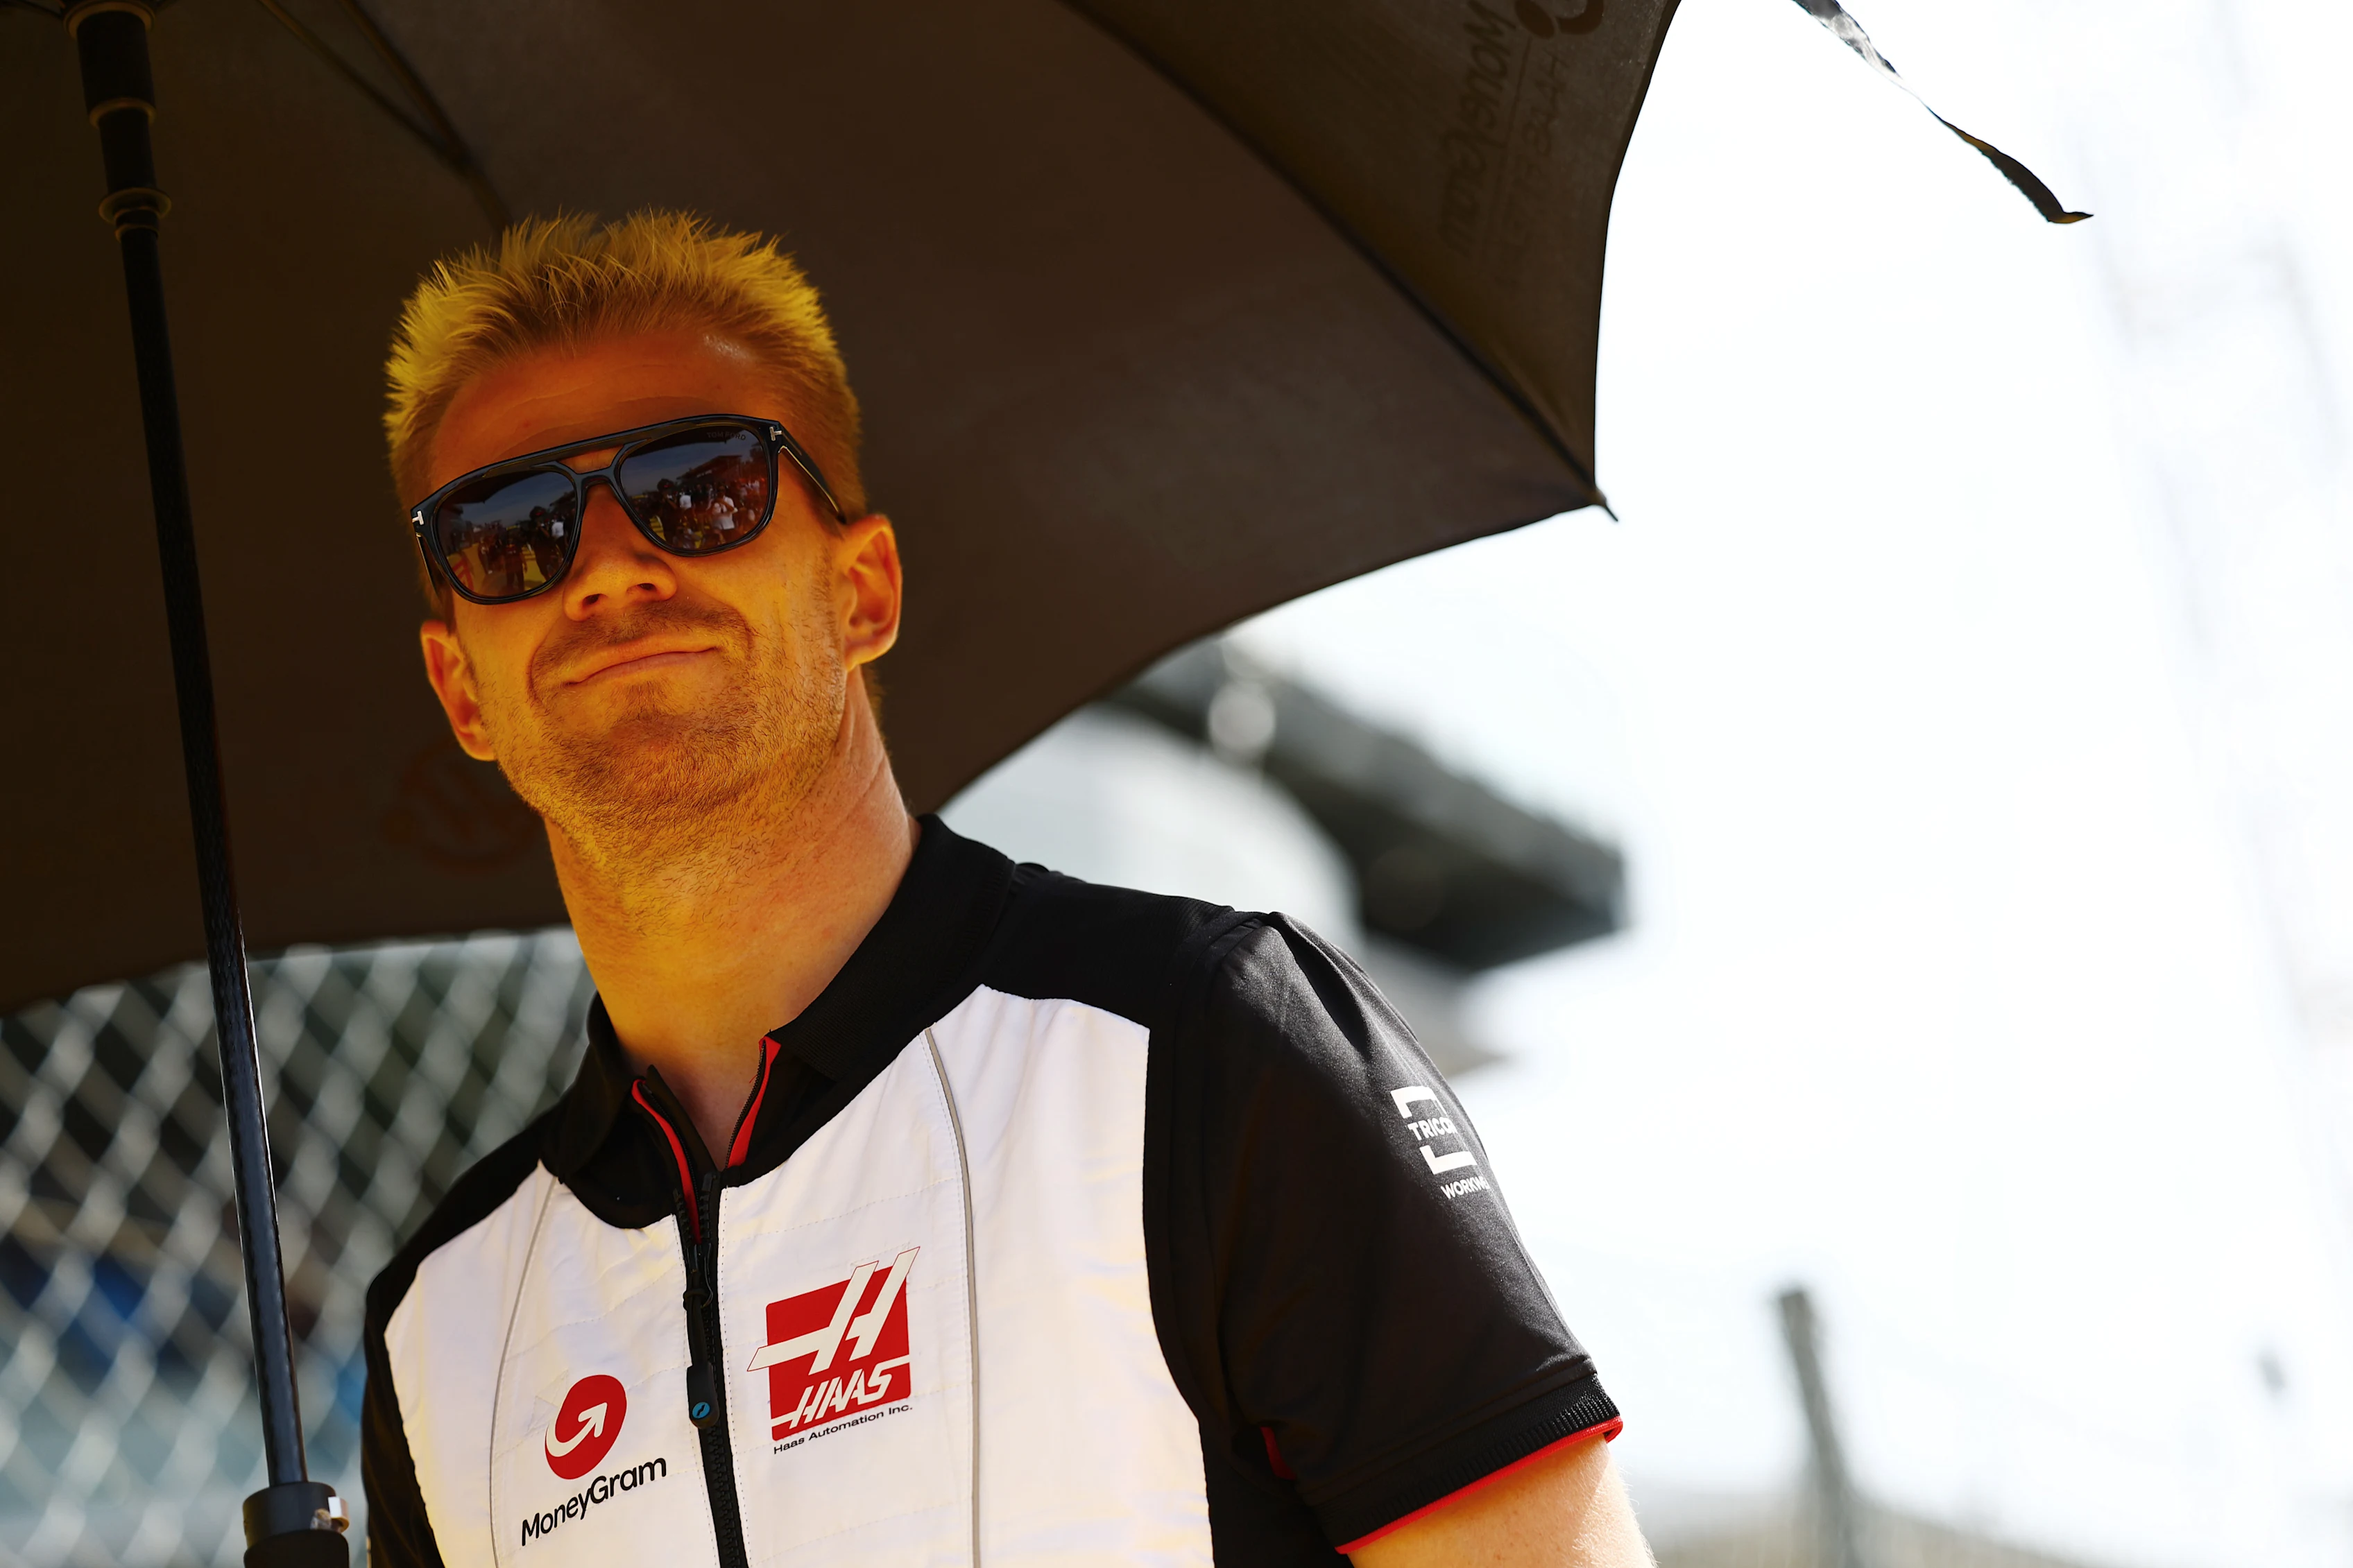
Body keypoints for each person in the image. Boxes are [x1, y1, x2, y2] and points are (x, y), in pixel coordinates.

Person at [361, 211, 1653, 1568]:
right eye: (509, 530)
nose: (612, 565)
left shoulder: (1210, 1044)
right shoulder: (441, 1327)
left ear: (864, 591)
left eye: (700, 486)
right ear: (460, 689)